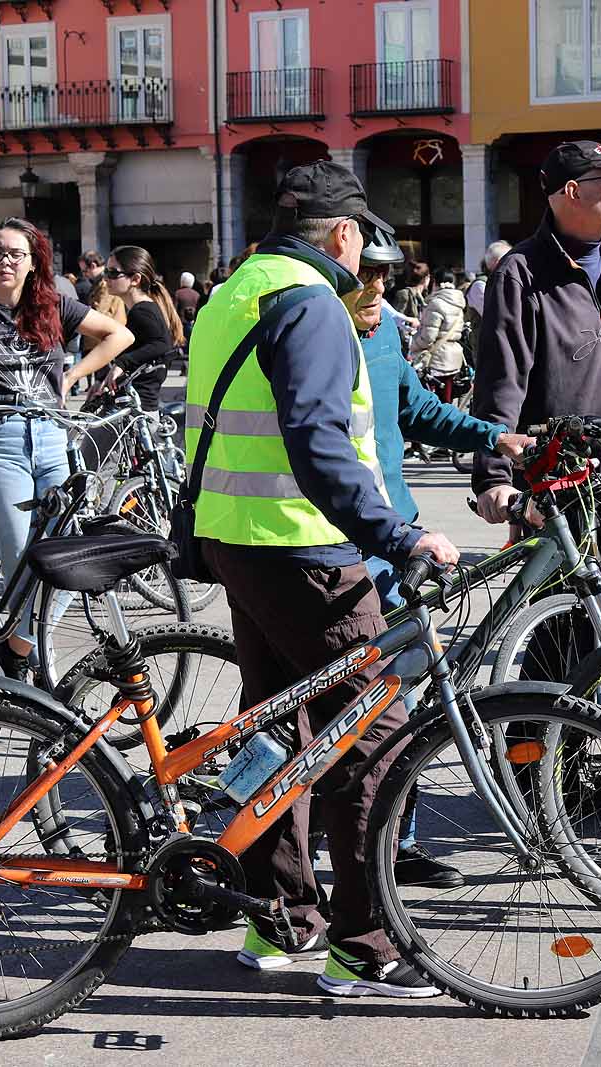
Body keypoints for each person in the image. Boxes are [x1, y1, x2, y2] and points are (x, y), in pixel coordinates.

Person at [186, 160, 455, 997]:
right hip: (306, 550)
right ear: (345, 235)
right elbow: (317, 440)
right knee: (374, 738)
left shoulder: (233, 293)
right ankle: (366, 944)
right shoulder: (312, 303)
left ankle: (280, 918)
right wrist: (396, 534)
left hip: (237, 539)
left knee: (277, 731)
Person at [347, 229, 530, 889]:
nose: (376, 289)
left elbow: (414, 410)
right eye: (363, 274)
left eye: (384, 276)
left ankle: (398, 840)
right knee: (362, 703)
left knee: (404, 696)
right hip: (342, 544)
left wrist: (495, 435)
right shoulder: (313, 338)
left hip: (397, 539)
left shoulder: (385, 334)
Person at [0, 218, 134, 679]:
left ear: (32, 262)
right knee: (22, 557)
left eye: (15, 254)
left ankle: (18, 647)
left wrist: (72, 375)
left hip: (51, 437)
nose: (5, 261)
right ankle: (35, 663)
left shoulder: (54, 307)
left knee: (65, 558)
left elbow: (120, 336)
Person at [472, 139, 601, 586]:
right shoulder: (520, 272)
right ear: (573, 191)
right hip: (559, 481)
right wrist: (494, 478)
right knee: (558, 625)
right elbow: (502, 380)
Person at [101, 244, 183, 413]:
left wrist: (122, 364)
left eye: (113, 273)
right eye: (105, 272)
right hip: (137, 405)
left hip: (137, 408)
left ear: (135, 279)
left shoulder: (142, 311)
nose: (106, 278)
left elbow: (162, 344)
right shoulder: (143, 309)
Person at [409, 267, 467, 385]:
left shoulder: (436, 303)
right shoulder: (458, 303)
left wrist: (413, 345)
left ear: (435, 283)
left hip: (437, 361)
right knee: (448, 399)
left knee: (435, 400)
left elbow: (428, 338)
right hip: (454, 358)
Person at [464, 240, 511, 317]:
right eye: (510, 261)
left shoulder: (500, 282)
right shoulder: (480, 285)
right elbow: (494, 316)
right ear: (498, 262)